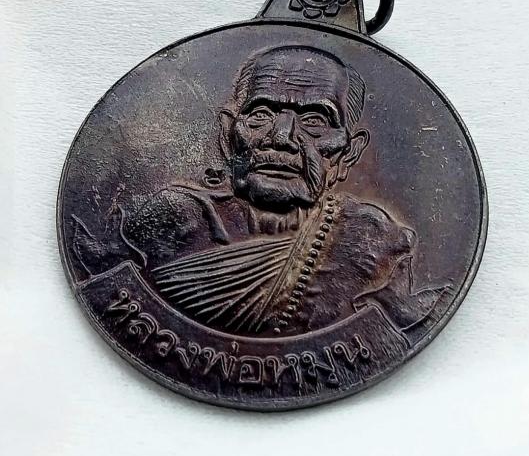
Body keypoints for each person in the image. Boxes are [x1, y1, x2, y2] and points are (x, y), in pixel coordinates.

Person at [74, 45, 450, 338]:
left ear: (347, 152)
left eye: (315, 121)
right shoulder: (174, 220)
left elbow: (395, 329)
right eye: (261, 115)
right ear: (229, 134)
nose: (281, 137)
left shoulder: (371, 241)